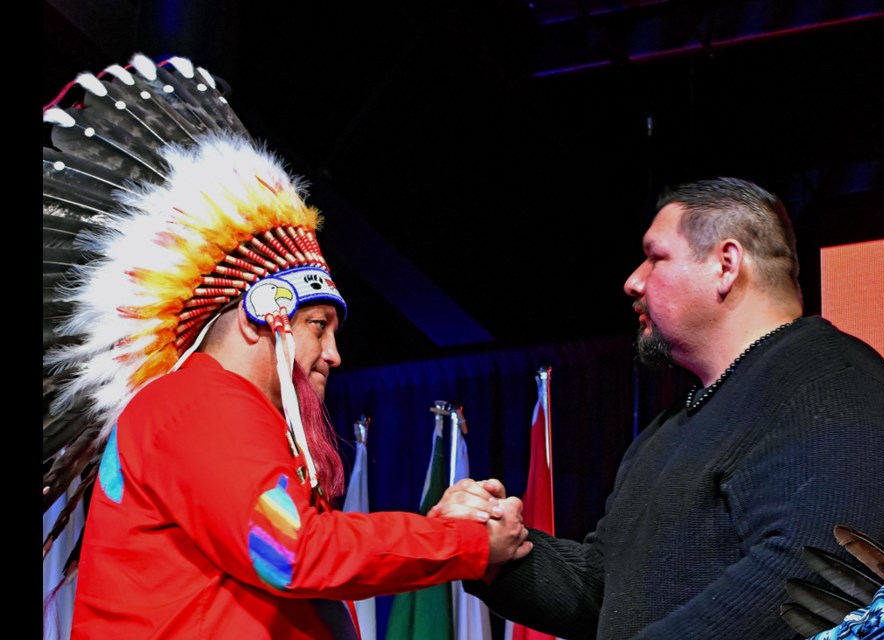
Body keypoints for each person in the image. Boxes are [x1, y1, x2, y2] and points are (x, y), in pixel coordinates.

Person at [41, 53, 529, 639]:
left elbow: (294, 557)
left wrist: (438, 527)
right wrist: (465, 541)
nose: (334, 354)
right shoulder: (199, 405)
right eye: (318, 326)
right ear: (260, 318)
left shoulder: (213, 413)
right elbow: (290, 552)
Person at [433, 177, 884, 639]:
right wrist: (497, 551)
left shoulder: (830, 380)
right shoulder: (673, 426)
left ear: (726, 264)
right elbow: (608, 593)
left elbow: (814, 572)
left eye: (654, 258)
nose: (632, 282)